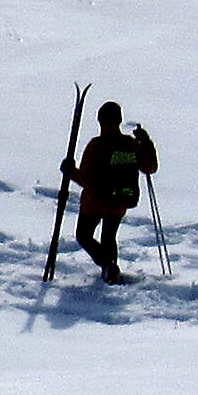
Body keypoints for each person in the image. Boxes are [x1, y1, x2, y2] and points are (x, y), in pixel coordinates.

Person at [61, 102, 158, 283]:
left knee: (83, 235)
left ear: (100, 121)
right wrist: (146, 142)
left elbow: (87, 179)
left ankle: (108, 265)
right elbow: (150, 167)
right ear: (119, 120)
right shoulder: (131, 144)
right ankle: (110, 269)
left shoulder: (97, 146)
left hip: (94, 202)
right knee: (109, 237)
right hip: (121, 199)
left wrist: (70, 171)